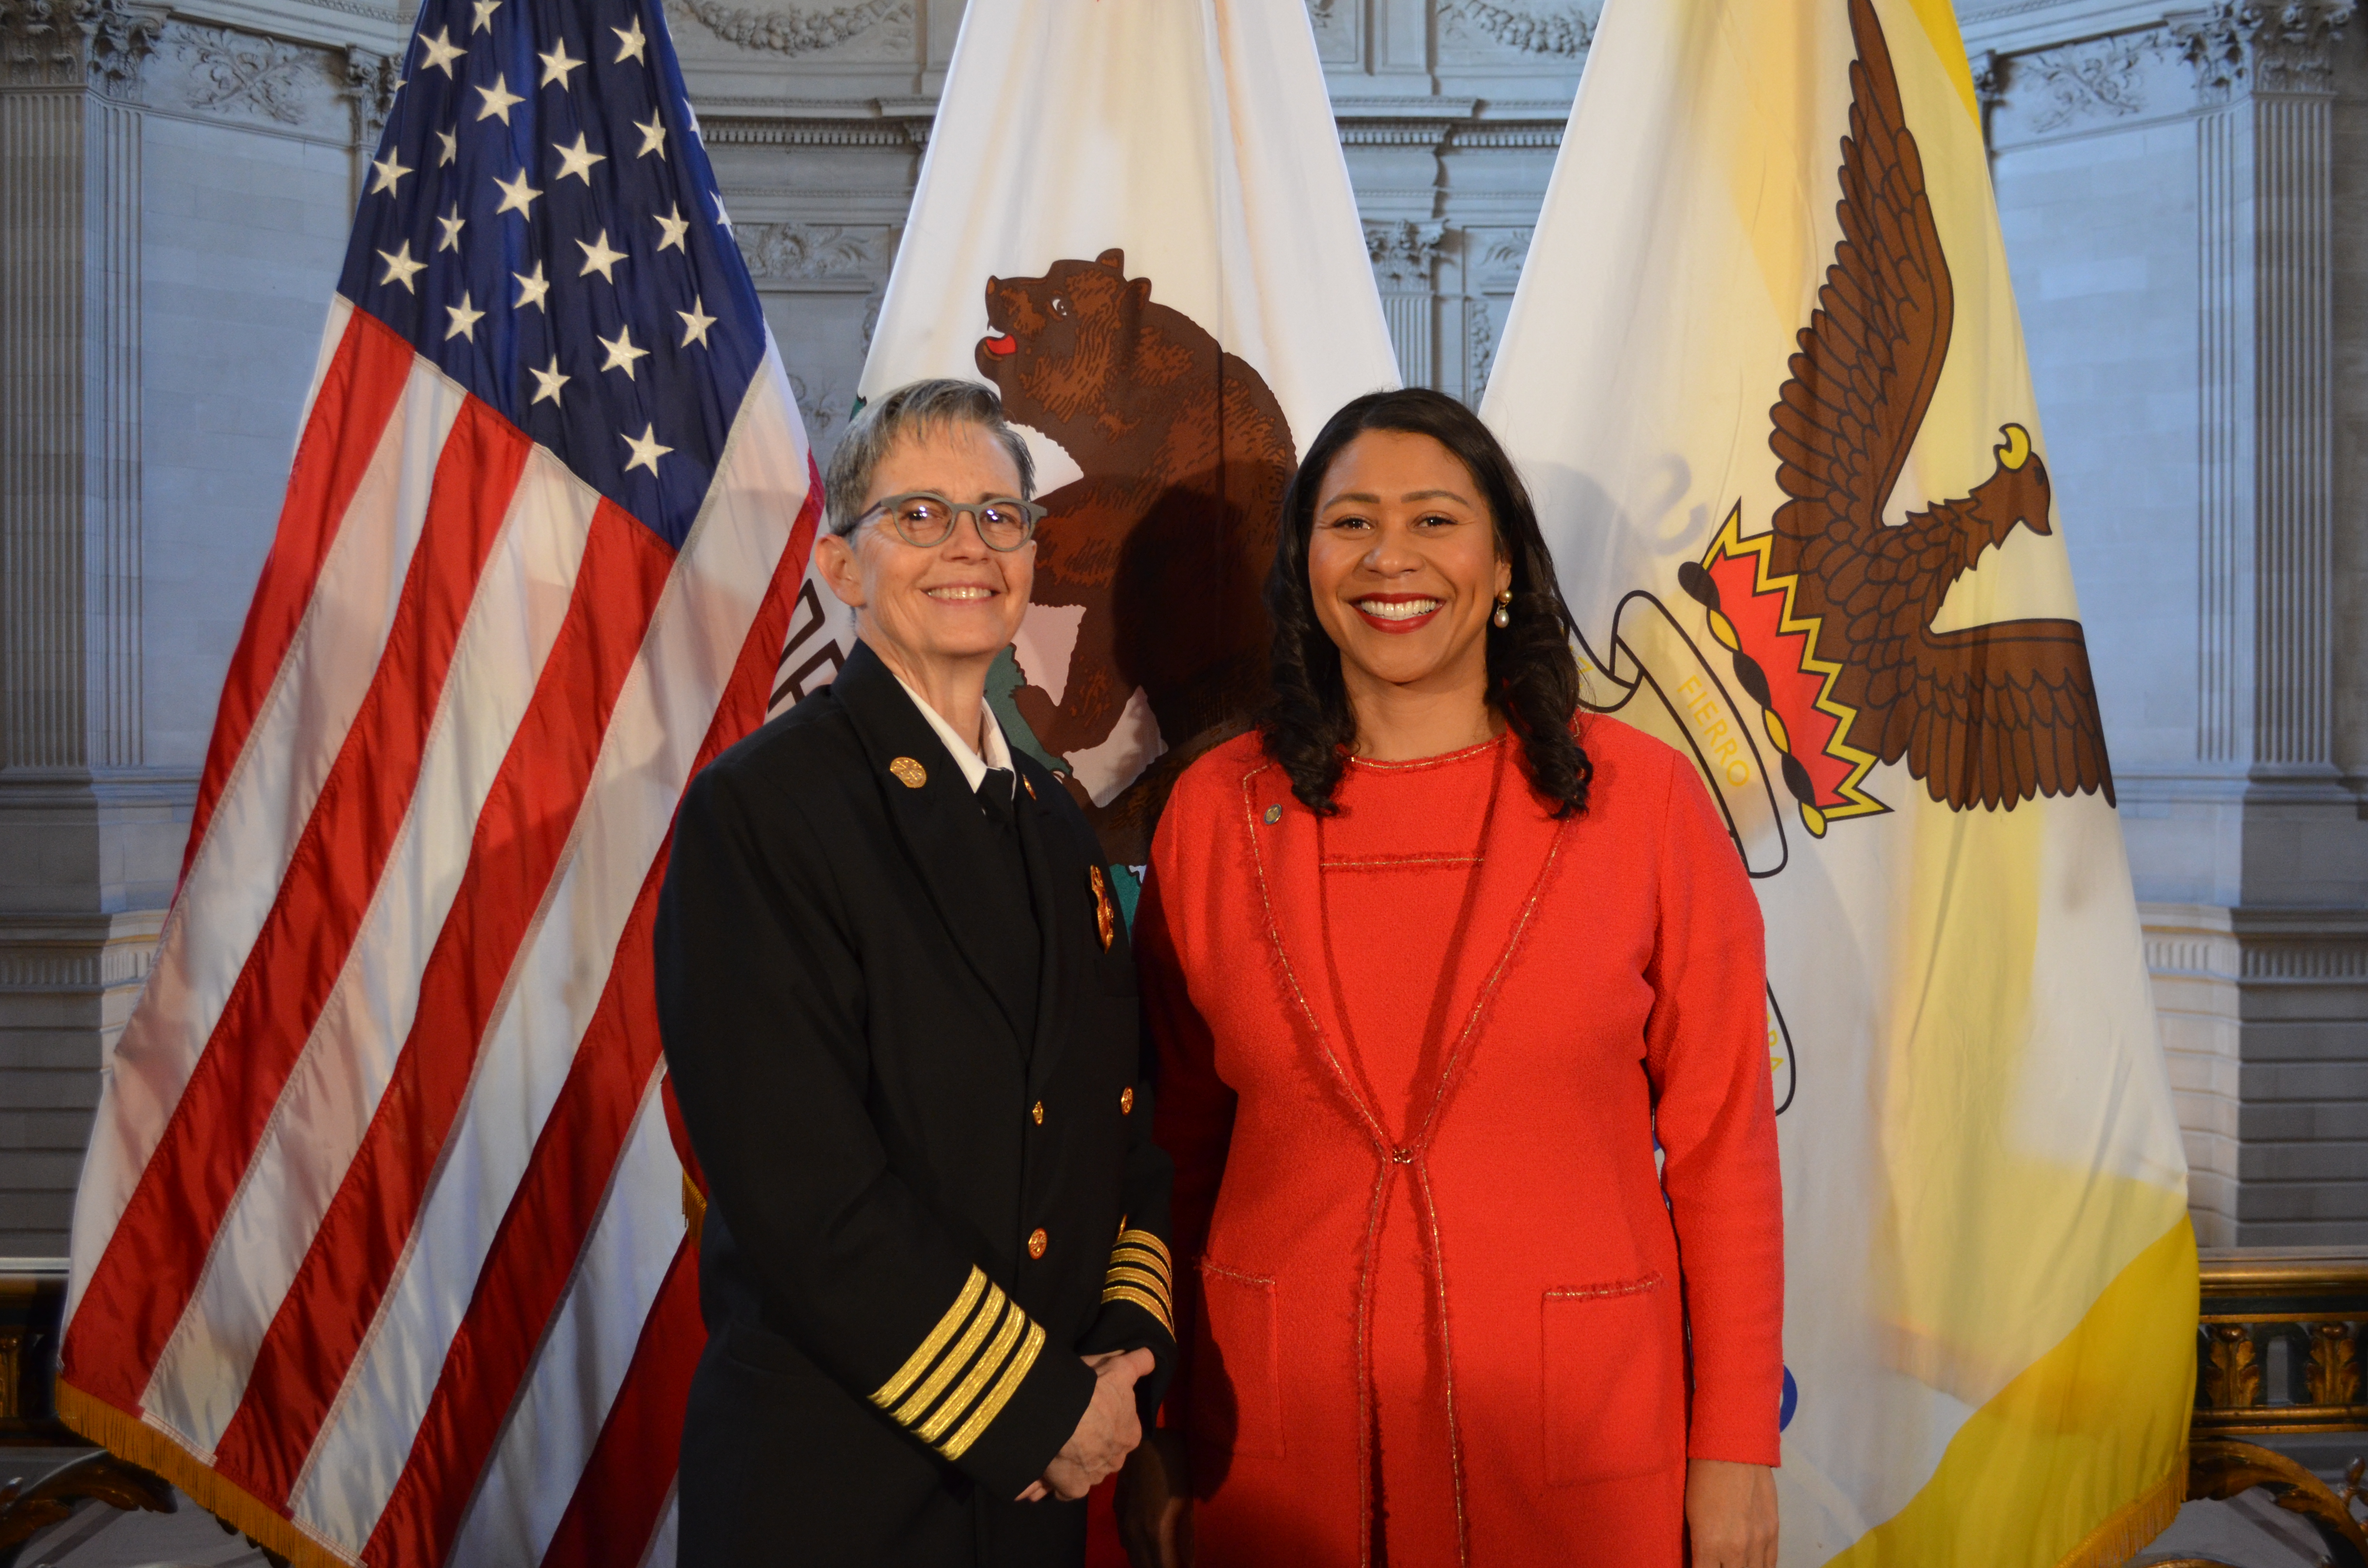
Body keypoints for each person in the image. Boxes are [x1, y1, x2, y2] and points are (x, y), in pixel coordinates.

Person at [1119, 388, 1783, 1568]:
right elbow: (1171, 1149)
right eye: (1350, 522)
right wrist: (1159, 1426)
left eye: (1435, 520)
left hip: (1575, 1446)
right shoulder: (1213, 813)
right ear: (1302, 564)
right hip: (1276, 1452)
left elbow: (1727, 1145)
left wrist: (1734, 1449)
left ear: (1504, 561)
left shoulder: (1646, 804)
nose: (1390, 558)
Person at [656, 379, 1177, 1567]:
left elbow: (1121, 1119)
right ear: (842, 567)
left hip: (1039, 1488)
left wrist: (1122, 1351)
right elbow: (806, 1196)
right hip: (843, 1485)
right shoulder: (764, 813)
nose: (970, 548)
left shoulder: (1052, 819)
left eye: (1001, 517)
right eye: (921, 516)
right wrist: (1042, 1409)